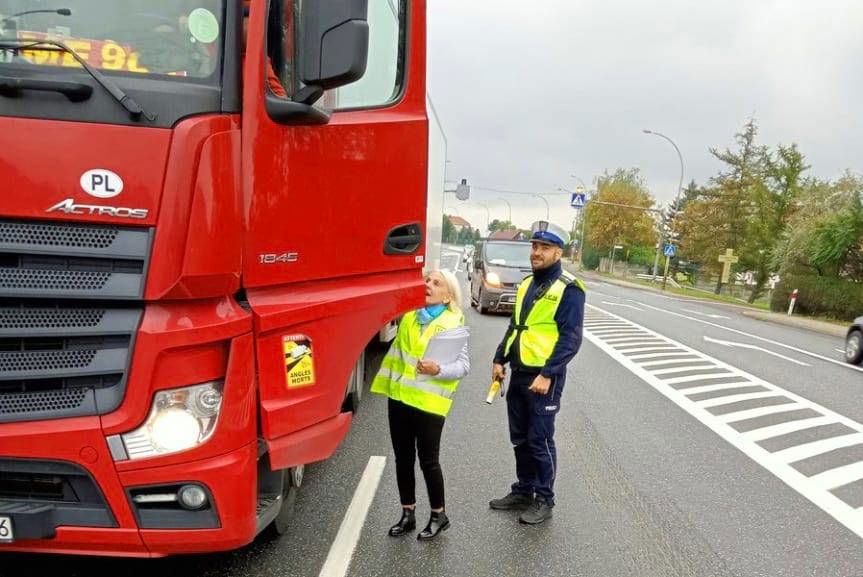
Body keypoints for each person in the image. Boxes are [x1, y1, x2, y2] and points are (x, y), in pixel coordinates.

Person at [489, 221, 586, 525]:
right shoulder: (528, 284)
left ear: (559, 252)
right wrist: (498, 358)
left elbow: (571, 338)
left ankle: (545, 498)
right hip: (519, 373)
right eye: (534, 246)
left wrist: (548, 373)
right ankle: (524, 490)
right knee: (519, 438)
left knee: (539, 439)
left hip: (544, 378)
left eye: (544, 248)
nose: (537, 252)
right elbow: (516, 326)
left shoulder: (569, 289)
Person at [370, 270, 470, 540]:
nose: (428, 284)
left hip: (428, 405)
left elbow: (463, 366)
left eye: (436, 283)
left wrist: (438, 369)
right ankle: (408, 514)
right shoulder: (410, 317)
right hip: (400, 399)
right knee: (403, 459)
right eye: (427, 280)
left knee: (429, 462)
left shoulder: (454, 322)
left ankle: (439, 515)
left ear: (448, 295)